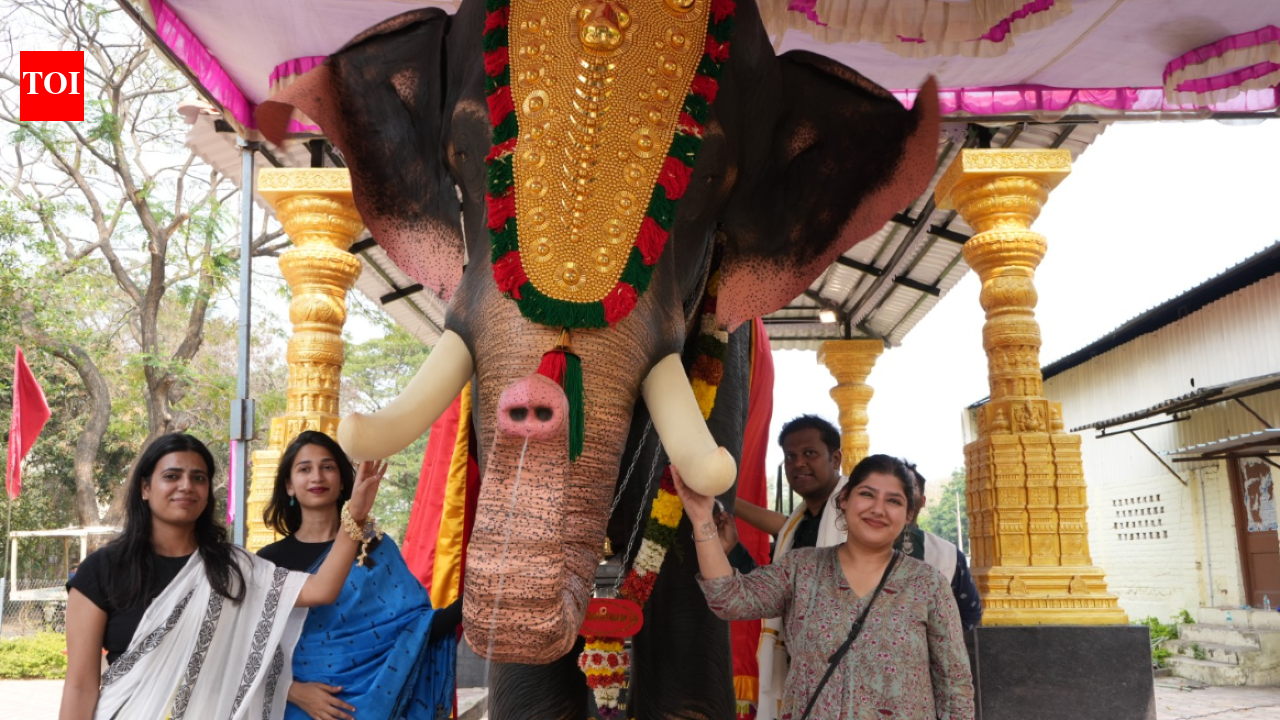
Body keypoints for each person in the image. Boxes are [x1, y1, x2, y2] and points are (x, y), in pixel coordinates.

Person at [59, 432, 383, 720]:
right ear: (145, 488)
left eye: (198, 478)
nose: (186, 486)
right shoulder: (102, 570)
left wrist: (353, 518)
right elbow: (80, 686)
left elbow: (322, 589)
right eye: (172, 476)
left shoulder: (233, 568)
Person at [677, 454, 974, 720]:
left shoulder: (927, 583)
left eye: (894, 501)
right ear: (844, 499)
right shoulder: (801, 569)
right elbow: (728, 600)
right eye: (867, 494)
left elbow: (955, 684)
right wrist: (703, 519)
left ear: (908, 515)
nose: (878, 509)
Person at [257, 430, 460, 720]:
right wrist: (293, 691)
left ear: (342, 482)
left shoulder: (376, 548)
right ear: (289, 485)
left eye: (327, 467)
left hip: (375, 705)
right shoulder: (269, 561)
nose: (317, 477)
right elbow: (246, 650)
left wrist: (473, 600)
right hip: (296, 709)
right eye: (305, 469)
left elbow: (415, 629)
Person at [898, 462, 983, 631]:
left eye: (909, 486)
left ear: (922, 501)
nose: (900, 492)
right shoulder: (845, 546)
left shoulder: (948, 555)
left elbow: (970, 614)